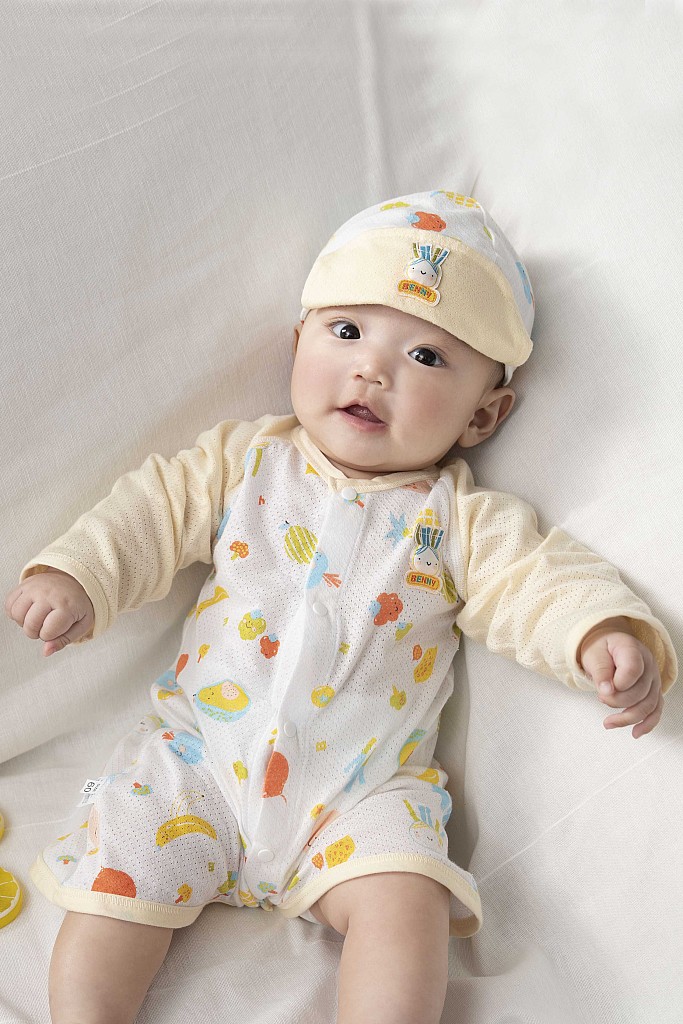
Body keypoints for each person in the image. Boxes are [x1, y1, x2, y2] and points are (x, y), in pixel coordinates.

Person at [6, 190, 677, 1024]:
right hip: (199, 760)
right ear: (299, 344)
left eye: (426, 356)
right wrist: (78, 574)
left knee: (407, 900)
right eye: (347, 331)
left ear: (483, 415)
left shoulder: (459, 520)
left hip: (361, 793)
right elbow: (150, 510)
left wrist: (597, 631)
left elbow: (534, 580)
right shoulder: (246, 463)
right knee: (120, 872)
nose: (373, 371)